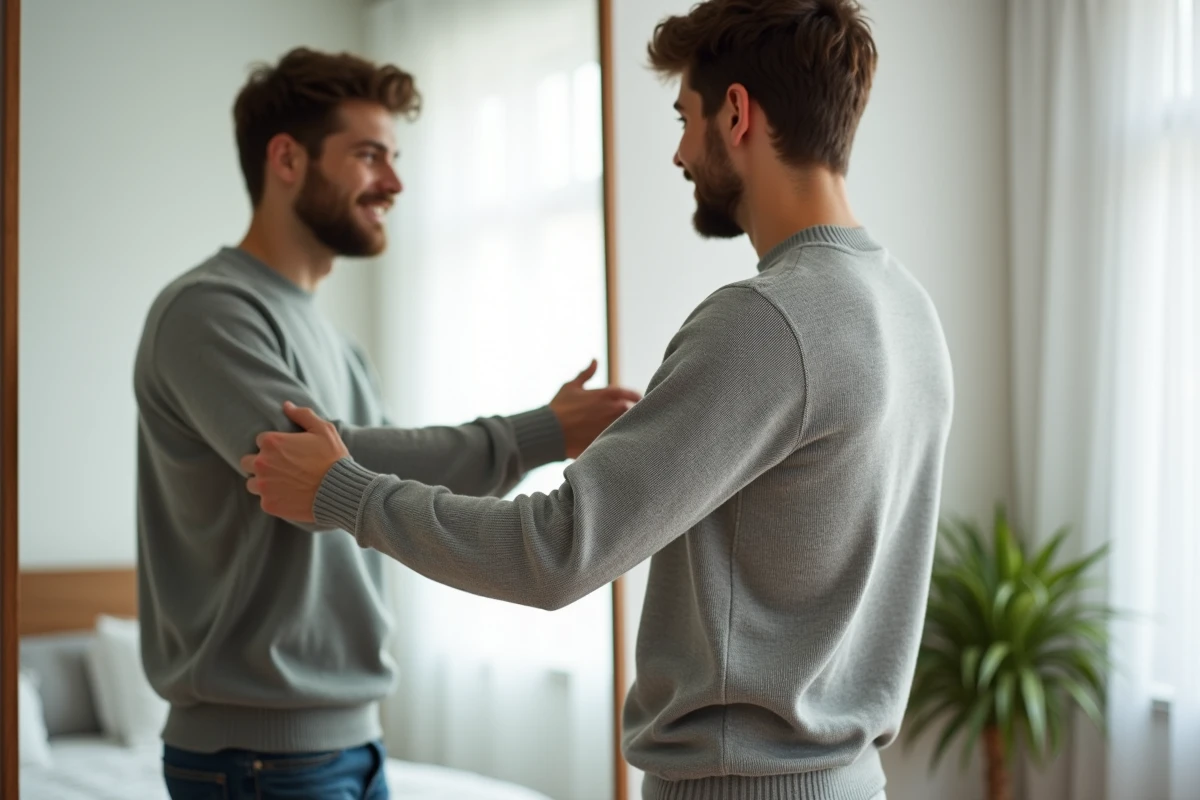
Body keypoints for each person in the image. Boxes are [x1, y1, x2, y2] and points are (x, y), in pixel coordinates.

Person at [245, 1, 954, 798]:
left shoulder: (764, 320)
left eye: (685, 117)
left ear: (736, 112)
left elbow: (555, 551)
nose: (682, 153)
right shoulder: (907, 308)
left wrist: (347, 494)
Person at [134, 47, 639, 800]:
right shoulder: (208, 311)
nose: (395, 184)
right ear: (287, 159)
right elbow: (316, 470)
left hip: (351, 744)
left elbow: (375, 474)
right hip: (255, 759)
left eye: (395, 158)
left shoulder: (336, 343)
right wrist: (535, 434)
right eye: (370, 156)